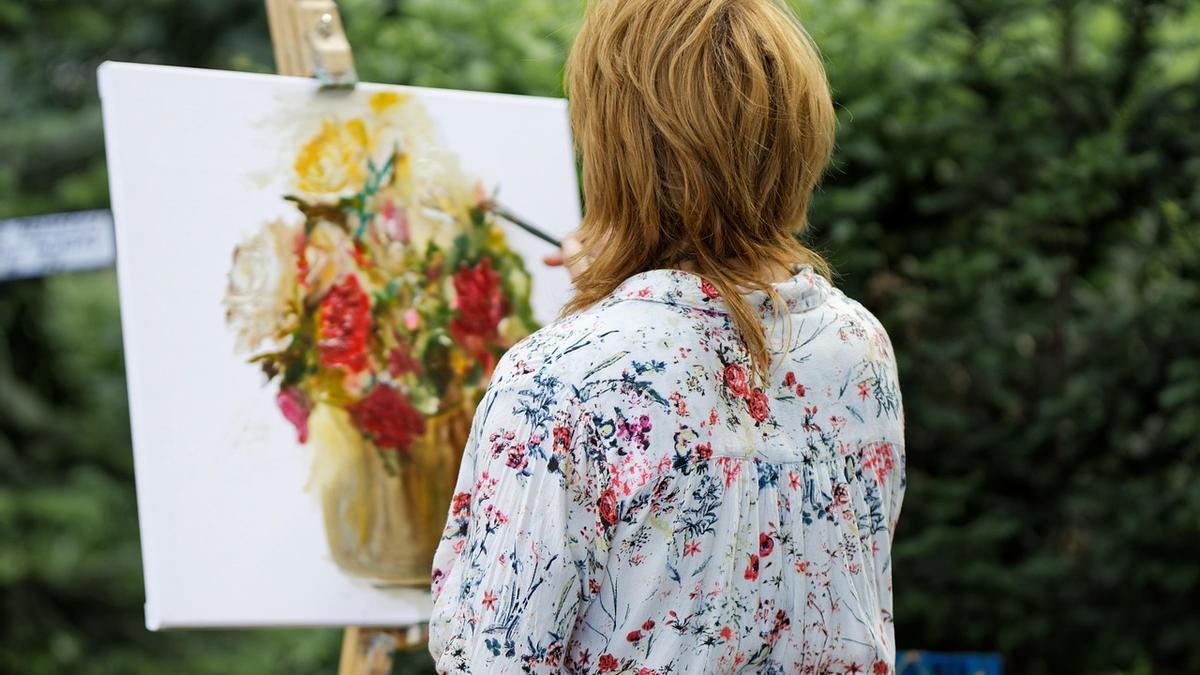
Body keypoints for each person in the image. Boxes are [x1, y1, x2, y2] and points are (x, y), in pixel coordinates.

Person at [428, 0, 906, 672]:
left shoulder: (556, 381)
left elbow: (490, 658)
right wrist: (629, 281)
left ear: (617, 146)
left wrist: (615, 314)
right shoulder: (859, 347)